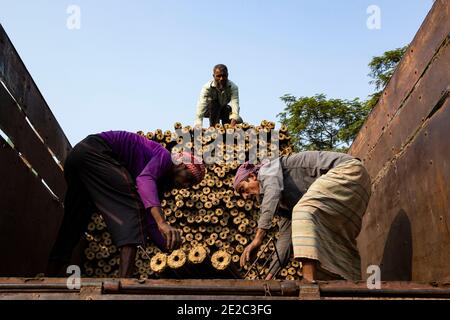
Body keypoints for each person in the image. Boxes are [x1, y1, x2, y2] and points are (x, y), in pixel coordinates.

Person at [46, 131, 205, 278]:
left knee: (74, 222)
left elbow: (149, 221)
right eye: (189, 179)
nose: (185, 186)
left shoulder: (159, 184)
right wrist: (162, 222)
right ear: (182, 165)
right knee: (133, 206)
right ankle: (124, 282)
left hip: (77, 157)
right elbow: (144, 181)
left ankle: (49, 277)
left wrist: (170, 248)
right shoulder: (164, 157)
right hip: (95, 152)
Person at [234, 151, 371, 282]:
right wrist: (269, 277)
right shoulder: (284, 203)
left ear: (252, 176)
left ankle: (308, 283)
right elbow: (285, 239)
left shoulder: (268, 170)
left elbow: (272, 194)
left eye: (243, 189)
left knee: (303, 211)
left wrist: (257, 239)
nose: (245, 196)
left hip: (349, 171)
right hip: (360, 189)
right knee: (337, 241)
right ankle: (354, 286)